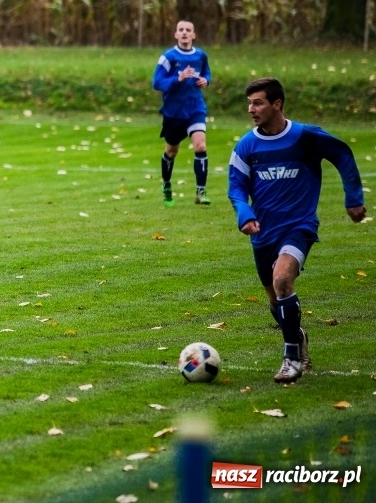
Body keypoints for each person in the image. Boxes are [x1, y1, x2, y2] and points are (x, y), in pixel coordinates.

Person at [228, 77, 366, 383]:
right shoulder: (247, 145)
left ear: (277, 104)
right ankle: (297, 334)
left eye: (258, 102)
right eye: (249, 103)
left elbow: (342, 155)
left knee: (282, 279)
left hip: (298, 226)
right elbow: (236, 188)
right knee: (275, 301)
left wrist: (353, 198)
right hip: (262, 232)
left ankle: (292, 358)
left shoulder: (305, 136)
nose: (251, 109)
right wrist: (245, 214)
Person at [152, 19, 212, 207]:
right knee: (171, 151)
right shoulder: (168, 57)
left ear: (193, 35)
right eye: (181, 30)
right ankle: (167, 184)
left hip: (195, 107)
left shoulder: (201, 56)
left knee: (200, 146)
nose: (184, 32)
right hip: (174, 112)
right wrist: (177, 79)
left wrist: (205, 81)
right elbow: (157, 83)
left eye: (188, 30)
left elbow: (207, 73)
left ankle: (201, 192)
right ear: (176, 34)